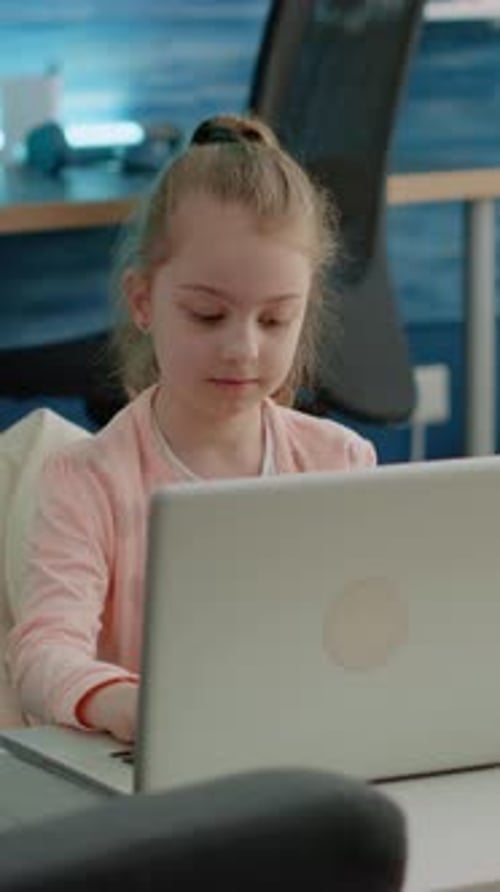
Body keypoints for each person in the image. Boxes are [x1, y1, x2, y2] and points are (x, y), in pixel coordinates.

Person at [6, 114, 376, 743]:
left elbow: (370, 635)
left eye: (274, 320)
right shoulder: (88, 480)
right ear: (144, 301)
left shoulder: (341, 462)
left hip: (300, 752)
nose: (243, 349)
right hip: (152, 779)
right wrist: (126, 705)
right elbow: (42, 654)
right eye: (208, 315)